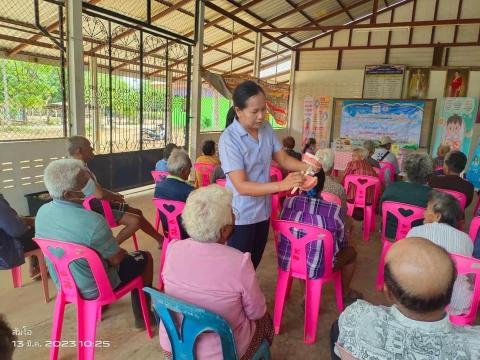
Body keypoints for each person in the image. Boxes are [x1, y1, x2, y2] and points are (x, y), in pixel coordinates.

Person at [35, 159, 155, 328]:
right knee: (145, 258)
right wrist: (120, 252)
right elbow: (116, 260)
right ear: (68, 194)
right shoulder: (93, 221)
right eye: (84, 184)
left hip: (65, 284)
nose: (89, 187)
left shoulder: (42, 213)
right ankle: (143, 317)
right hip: (96, 288)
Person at [160, 185, 273, 359]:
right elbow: (256, 312)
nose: (235, 216)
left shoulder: (173, 249)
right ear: (225, 230)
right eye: (232, 212)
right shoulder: (239, 262)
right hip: (223, 353)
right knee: (265, 320)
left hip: (175, 346)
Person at [331, 237, 480, 360]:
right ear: (452, 286)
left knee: (336, 327)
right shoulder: (474, 347)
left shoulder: (357, 316)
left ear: (388, 292)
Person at [219, 80, 315, 269]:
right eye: (255, 111)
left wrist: (309, 168)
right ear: (238, 111)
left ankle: (246, 296)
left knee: (254, 262)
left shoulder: (266, 129)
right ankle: (237, 298)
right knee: (240, 266)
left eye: (264, 109)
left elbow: (284, 160)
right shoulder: (229, 139)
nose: (261, 116)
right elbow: (241, 186)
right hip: (241, 214)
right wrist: (281, 185)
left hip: (262, 211)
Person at [279, 170, 361, 303]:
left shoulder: (288, 203)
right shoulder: (334, 210)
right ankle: (345, 292)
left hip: (290, 261)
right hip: (321, 268)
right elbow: (342, 242)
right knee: (351, 252)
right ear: (322, 186)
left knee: (300, 248)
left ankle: (306, 294)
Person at [67, 136, 164, 246]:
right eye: (89, 146)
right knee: (135, 221)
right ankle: (112, 248)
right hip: (96, 210)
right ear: (79, 151)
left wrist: (112, 195)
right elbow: (99, 194)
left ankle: (160, 239)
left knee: (137, 212)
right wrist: (115, 197)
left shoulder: (75, 166)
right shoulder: (79, 170)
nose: (92, 149)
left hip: (99, 205)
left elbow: (96, 190)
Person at [407, 191, 474, 316]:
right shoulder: (467, 239)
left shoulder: (415, 232)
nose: (423, 212)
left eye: (427, 209)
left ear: (437, 216)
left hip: (421, 302)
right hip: (459, 304)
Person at [380, 153, 433, 240]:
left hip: (390, 234)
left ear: (406, 170)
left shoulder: (391, 187)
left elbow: (382, 212)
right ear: (429, 173)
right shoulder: (433, 196)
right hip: (419, 239)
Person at [154, 149, 194, 240]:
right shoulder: (189, 191)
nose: (190, 171)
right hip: (187, 234)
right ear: (183, 171)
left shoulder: (158, 187)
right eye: (190, 168)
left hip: (168, 231)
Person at [0, 193, 39, 277]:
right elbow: (17, 231)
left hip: (4, 245)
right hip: (7, 250)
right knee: (42, 233)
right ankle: (38, 268)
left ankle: (34, 267)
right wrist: (29, 224)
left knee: (31, 229)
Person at [341, 148, 378, 217]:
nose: (352, 158)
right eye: (352, 156)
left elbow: (344, 178)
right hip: (369, 199)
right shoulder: (370, 167)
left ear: (362, 157)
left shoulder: (352, 163)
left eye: (354, 156)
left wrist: (340, 187)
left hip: (352, 197)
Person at [316, 149, 347, 213]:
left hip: (309, 220)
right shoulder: (339, 188)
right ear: (332, 167)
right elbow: (344, 211)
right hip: (331, 221)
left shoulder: (306, 185)